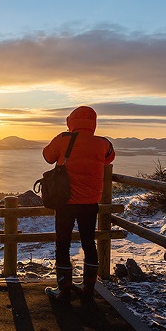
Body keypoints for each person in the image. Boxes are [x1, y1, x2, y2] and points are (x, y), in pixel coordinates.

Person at [42, 106, 115, 302]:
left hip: (65, 202)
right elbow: (109, 159)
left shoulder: (63, 139)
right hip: (90, 203)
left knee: (63, 243)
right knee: (89, 243)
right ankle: (88, 289)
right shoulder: (103, 144)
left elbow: (48, 156)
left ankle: (63, 289)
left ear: (71, 121)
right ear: (94, 123)